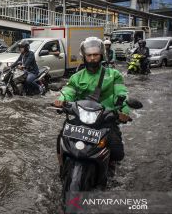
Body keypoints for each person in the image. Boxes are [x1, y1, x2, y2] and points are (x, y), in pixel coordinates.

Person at [54, 37, 131, 175]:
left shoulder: (114, 75)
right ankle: (62, 168)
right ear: (84, 57)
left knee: (117, 152)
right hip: (80, 118)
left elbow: (122, 93)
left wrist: (124, 110)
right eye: (89, 55)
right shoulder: (76, 77)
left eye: (95, 55)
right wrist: (61, 100)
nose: (92, 58)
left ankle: (110, 167)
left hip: (105, 119)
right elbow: (68, 91)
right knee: (61, 139)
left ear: (101, 55)